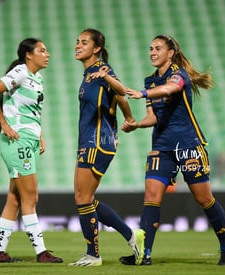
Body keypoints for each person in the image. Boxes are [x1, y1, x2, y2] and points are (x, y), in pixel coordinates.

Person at [119, 34, 225, 265]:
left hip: (189, 144)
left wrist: (142, 94)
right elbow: (153, 116)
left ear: (170, 53)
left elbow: (170, 90)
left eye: (158, 48)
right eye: (150, 48)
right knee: (151, 196)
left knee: (204, 198)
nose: (152, 52)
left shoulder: (178, 75)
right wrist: (137, 124)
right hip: (161, 145)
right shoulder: (150, 80)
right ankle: (144, 254)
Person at [69, 28, 145, 267]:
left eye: (84, 42)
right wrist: (129, 120)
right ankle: (131, 235)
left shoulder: (102, 70)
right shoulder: (90, 73)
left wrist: (107, 77)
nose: (78, 45)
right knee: (86, 198)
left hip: (96, 142)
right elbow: (119, 99)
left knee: (82, 198)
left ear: (97, 48)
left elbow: (122, 91)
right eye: (77, 42)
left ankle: (93, 254)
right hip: (94, 140)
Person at [0, 38, 62, 264]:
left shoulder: (37, 78)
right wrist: (4, 124)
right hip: (17, 142)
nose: (47, 54)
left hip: (28, 140)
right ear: (29, 55)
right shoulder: (20, 72)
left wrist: (40, 135)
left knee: (15, 199)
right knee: (31, 197)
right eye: (42, 50)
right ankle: (41, 252)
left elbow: (31, 112)